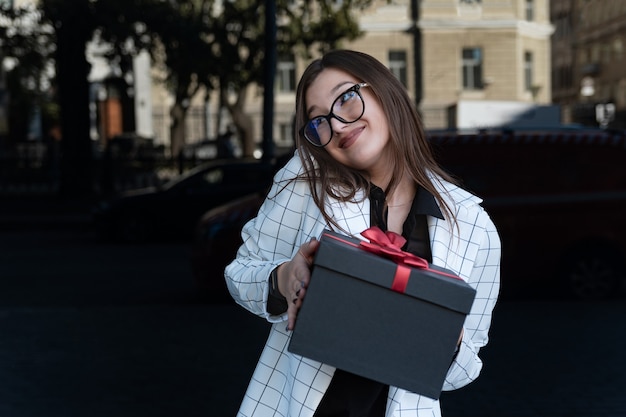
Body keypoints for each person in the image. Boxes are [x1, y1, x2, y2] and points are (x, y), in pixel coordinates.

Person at [224, 49, 500, 417]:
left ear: (384, 91)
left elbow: (466, 367)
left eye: (346, 98)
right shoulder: (305, 182)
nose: (336, 124)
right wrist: (285, 278)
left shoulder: (472, 225)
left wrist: (449, 340)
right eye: (318, 120)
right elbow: (240, 272)